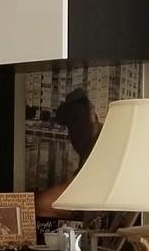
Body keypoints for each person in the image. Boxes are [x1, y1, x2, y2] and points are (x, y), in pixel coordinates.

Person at [38, 88, 104, 217]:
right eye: (70, 125)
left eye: (77, 120)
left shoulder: (104, 146)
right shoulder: (90, 147)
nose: (73, 132)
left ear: (92, 115)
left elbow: (48, 203)